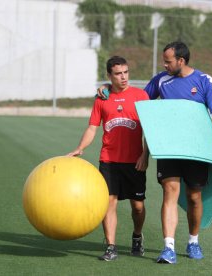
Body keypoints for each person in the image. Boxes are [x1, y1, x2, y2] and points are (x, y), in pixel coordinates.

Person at [98, 41, 212, 264]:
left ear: (181, 60)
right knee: (170, 191)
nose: (164, 65)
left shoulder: (204, 81)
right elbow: (136, 97)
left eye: (168, 61)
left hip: (195, 149)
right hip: (168, 147)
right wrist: (107, 88)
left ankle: (193, 241)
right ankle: (168, 247)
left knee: (194, 197)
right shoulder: (161, 80)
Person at [68, 56, 150, 261]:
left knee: (138, 206)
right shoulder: (102, 99)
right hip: (109, 160)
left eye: (125, 72)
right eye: (118, 74)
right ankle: (111, 246)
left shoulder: (141, 96)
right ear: (109, 76)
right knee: (108, 203)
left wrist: (145, 154)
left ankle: (137, 236)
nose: (123, 77)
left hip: (135, 161)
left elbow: (150, 129)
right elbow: (92, 127)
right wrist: (80, 148)